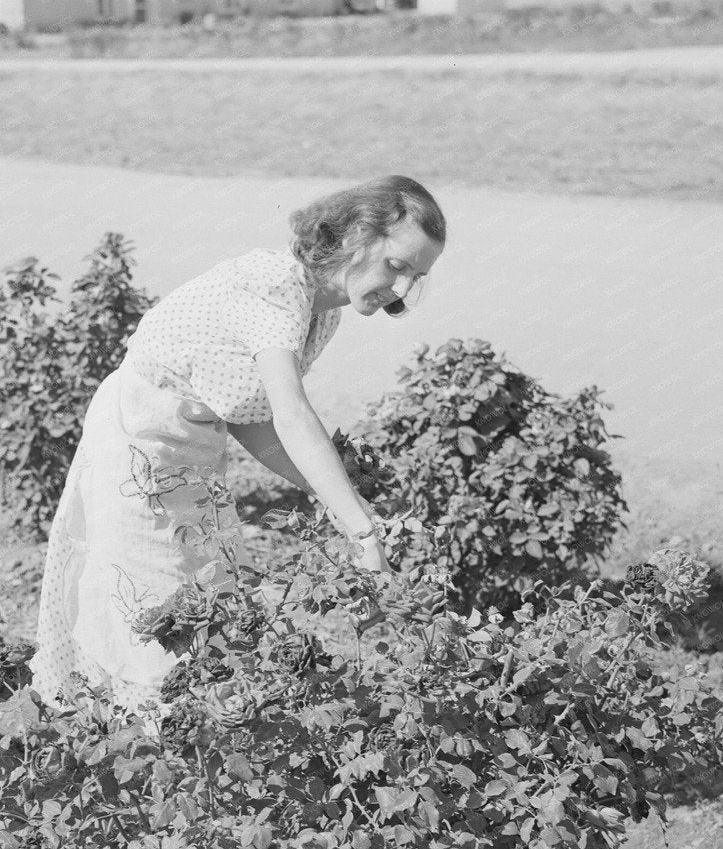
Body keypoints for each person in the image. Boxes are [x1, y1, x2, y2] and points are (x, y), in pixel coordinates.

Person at [30, 175, 447, 711]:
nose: (402, 288)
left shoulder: (323, 314)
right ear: (355, 238)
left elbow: (255, 420)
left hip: (191, 452)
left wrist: (346, 499)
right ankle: (138, 742)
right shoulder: (276, 284)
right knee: (155, 601)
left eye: (416, 276)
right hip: (139, 439)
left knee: (205, 596)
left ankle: (186, 741)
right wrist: (361, 529)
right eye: (396, 265)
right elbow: (292, 412)